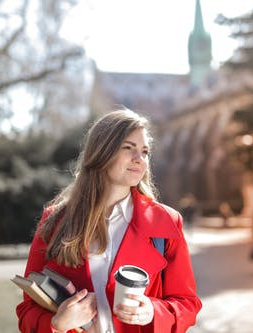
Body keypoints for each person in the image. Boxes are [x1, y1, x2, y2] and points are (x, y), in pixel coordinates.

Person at [16, 110, 202, 333]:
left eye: (145, 151)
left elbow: (187, 304)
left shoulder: (167, 223)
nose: (139, 159)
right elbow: (27, 310)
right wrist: (57, 325)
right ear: (102, 152)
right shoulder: (55, 221)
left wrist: (153, 311)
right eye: (128, 147)